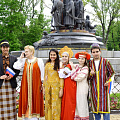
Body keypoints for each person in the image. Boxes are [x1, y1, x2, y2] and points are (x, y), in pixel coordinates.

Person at [13, 45, 44, 120]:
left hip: (36, 84)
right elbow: (16, 67)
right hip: (25, 84)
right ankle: (26, 116)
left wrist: (42, 83)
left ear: (31, 52)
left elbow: (42, 73)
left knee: (35, 98)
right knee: (25, 98)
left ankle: (35, 117)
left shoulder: (38, 60)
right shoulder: (24, 61)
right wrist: (20, 58)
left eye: (26, 51)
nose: (25, 53)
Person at [89, 43, 115, 120]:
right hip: (94, 90)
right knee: (96, 112)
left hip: (104, 89)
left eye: (97, 51)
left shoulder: (106, 62)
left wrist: (108, 81)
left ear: (100, 52)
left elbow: (112, 73)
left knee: (105, 110)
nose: (95, 53)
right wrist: (91, 74)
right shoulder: (89, 63)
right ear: (91, 53)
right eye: (93, 52)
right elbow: (87, 77)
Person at [0, 40, 20, 120]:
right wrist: (0, 77)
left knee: (11, 104)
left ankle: (12, 118)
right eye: (4, 48)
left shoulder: (14, 58)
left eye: (7, 47)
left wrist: (12, 76)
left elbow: (18, 70)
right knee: (2, 104)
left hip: (11, 84)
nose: (5, 49)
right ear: (1, 48)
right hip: (1, 84)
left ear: (9, 48)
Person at [43, 49, 64, 120]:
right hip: (48, 87)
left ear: (56, 56)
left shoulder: (60, 64)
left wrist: (61, 88)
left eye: (54, 55)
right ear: (49, 55)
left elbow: (61, 77)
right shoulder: (47, 64)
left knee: (56, 104)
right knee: (48, 104)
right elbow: (45, 76)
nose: (52, 56)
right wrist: (44, 86)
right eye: (51, 55)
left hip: (56, 87)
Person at [59, 46, 76, 120]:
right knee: (65, 102)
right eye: (63, 56)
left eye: (66, 56)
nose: (64, 58)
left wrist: (60, 68)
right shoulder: (64, 65)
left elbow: (62, 74)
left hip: (70, 86)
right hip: (66, 85)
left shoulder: (69, 66)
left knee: (69, 102)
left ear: (69, 58)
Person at [71, 51, 90, 120]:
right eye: (79, 58)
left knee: (82, 104)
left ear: (85, 60)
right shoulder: (76, 66)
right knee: (77, 104)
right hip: (76, 88)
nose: (81, 60)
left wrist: (73, 71)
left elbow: (77, 78)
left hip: (82, 88)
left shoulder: (86, 68)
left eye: (82, 59)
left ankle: (83, 118)